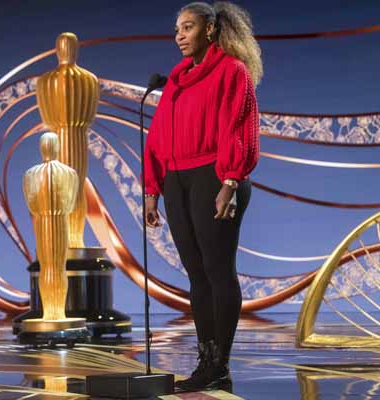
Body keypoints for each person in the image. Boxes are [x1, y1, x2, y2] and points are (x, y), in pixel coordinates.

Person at [143, 1, 262, 393]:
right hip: (177, 180)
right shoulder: (176, 79)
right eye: (177, 28)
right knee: (197, 275)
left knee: (217, 271)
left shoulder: (232, 71)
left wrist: (230, 181)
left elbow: (238, 128)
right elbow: (158, 135)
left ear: (210, 29)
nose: (179, 35)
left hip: (215, 175)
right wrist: (151, 189)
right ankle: (206, 361)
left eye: (188, 27)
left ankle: (220, 365)